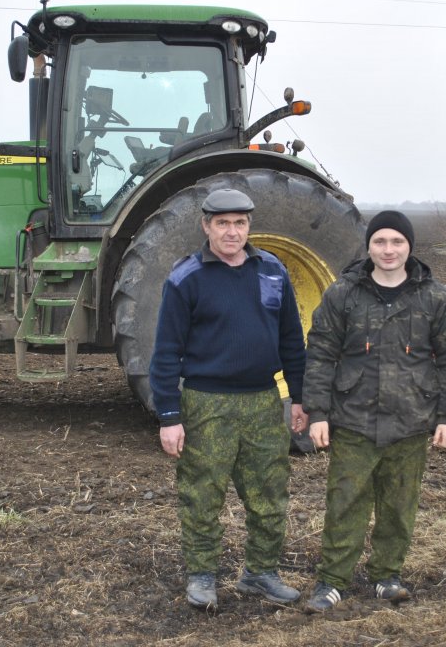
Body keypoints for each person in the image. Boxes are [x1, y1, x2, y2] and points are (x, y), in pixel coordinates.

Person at [150, 187, 309, 611]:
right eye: (223, 223)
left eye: (240, 223)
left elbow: (292, 339)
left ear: (249, 226)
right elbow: (166, 352)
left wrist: (299, 397)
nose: (232, 232)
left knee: (269, 494)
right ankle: (202, 576)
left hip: (262, 401)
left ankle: (260, 573)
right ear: (206, 226)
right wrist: (169, 416)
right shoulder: (186, 278)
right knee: (203, 495)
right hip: (207, 403)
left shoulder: (272, 271)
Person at [301, 210, 446, 613]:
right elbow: (321, 354)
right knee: (345, 502)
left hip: (411, 419)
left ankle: (386, 576)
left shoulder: (433, 296)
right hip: (353, 418)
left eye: (397, 242)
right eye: (380, 242)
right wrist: (318, 412)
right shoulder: (344, 293)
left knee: (398, 505)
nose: (388, 250)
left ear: (409, 247)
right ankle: (332, 581)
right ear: (369, 246)